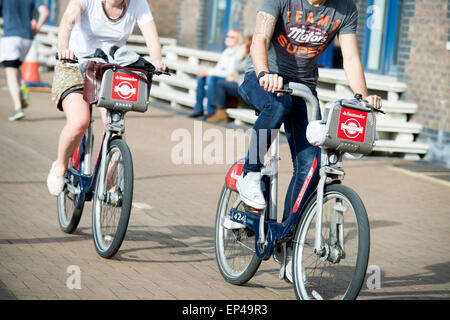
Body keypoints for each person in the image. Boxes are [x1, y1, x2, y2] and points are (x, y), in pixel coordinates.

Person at [236, 0, 383, 281]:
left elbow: (350, 58)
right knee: (278, 106)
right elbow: (260, 38)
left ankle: (288, 250)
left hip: (304, 86)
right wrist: (265, 73)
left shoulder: (345, 8)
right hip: (261, 75)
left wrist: (363, 98)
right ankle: (249, 173)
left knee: (312, 167)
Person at [46, 0, 166, 196]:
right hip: (75, 63)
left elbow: (151, 35)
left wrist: (157, 60)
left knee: (116, 127)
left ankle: (109, 182)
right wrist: (63, 47)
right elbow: (69, 18)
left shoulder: (137, 4)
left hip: (108, 69)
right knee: (79, 122)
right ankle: (60, 165)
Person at [0, 0, 49, 121]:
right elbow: (45, 12)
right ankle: (22, 85)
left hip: (11, 36)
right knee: (16, 67)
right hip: (27, 38)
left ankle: (18, 108)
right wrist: (37, 28)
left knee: (10, 72)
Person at [188, 29, 243, 119]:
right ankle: (198, 108)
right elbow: (218, 68)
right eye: (227, 36)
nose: (228, 38)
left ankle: (211, 110)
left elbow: (230, 72)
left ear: (238, 39)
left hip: (232, 79)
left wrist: (208, 73)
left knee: (211, 78)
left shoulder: (239, 52)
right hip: (222, 76)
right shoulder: (226, 51)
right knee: (200, 78)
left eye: (232, 37)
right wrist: (205, 71)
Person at [206, 35, 252, 123]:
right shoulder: (247, 56)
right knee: (219, 81)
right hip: (240, 83)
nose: (242, 45)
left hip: (244, 87)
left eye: (244, 44)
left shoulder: (250, 56)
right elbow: (238, 72)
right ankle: (215, 112)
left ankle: (220, 114)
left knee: (220, 84)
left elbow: (239, 68)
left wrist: (239, 57)